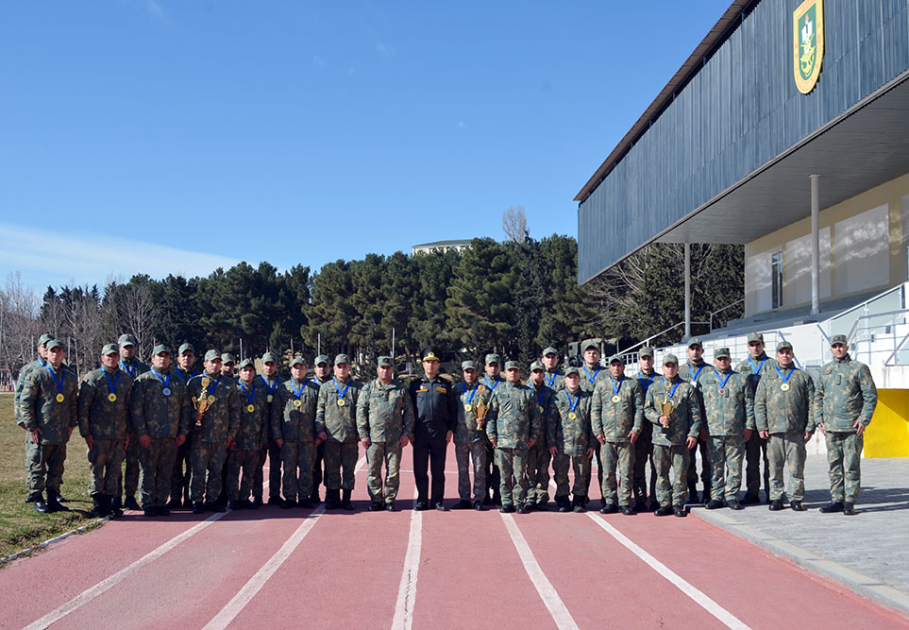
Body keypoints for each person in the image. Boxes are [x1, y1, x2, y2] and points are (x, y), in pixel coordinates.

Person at [815, 334, 878, 516]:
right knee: (834, 465)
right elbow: (818, 395)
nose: (838, 349)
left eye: (841, 346)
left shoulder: (859, 368)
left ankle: (850, 501)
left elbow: (870, 396)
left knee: (851, 465)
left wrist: (864, 419)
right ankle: (837, 499)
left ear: (847, 347)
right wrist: (819, 418)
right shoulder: (825, 370)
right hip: (831, 427)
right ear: (831, 349)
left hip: (852, 426)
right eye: (835, 346)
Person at [754, 341, 815, 511]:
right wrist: (762, 426)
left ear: (792, 354)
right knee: (775, 468)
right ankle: (776, 497)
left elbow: (812, 403)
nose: (785, 355)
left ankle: (796, 498)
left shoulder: (803, 377)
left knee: (796, 468)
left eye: (788, 352)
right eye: (782, 352)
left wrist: (810, 428)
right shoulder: (768, 377)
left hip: (796, 432)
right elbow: (759, 403)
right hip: (773, 431)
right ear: (777, 355)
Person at [131, 344, 192, 516]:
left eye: (166, 356)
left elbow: (185, 409)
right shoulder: (143, 381)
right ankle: (148, 503)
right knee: (148, 470)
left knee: (166, 471)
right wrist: (142, 432)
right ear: (152, 359)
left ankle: (160, 502)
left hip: (170, 436)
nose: (163, 359)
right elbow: (136, 409)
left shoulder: (177, 383)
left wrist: (183, 432)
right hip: (150, 436)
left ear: (170, 360)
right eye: (159, 356)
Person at [18, 339, 78, 513]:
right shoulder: (38, 374)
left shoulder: (70, 377)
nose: (55, 354)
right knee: (38, 466)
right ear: (46, 353)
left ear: (63, 354)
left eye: (59, 352)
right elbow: (26, 402)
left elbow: (74, 403)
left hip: (60, 432)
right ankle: (38, 497)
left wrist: (71, 425)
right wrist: (31, 427)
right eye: (52, 351)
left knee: (57, 468)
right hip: (42, 431)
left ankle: (53, 498)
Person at [78, 343, 133, 517]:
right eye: (108, 356)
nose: (112, 358)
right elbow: (83, 408)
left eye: (115, 356)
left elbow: (130, 407)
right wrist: (86, 433)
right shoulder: (93, 378)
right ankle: (97, 502)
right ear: (102, 357)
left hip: (118, 434)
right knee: (97, 468)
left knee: (114, 469)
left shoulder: (125, 380)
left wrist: (128, 432)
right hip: (98, 434)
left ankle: (110, 501)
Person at [644, 354, 702, 517]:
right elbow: (647, 410)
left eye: (673, 366)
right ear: (662, 368)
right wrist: (658, 418)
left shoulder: (687, 388)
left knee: (681, 474)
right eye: (667, 366)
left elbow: (695, 414)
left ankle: (678, 503)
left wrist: (693, 434)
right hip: (660, 439)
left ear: (677, 368)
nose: (670, 369)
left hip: (680, 439)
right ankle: (664, 503)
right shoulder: (654, 387)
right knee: (661, 474)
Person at [357, 356, 415, 511]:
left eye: (388, 368)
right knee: (373, 471)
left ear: (392, 370)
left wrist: (406, 433)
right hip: (374, 438)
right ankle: (376, 499)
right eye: (382, 367)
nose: (385, 370)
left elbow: (409, 412)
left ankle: (390, 499)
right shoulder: (368, 388)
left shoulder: (400, 388)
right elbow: (361, 411)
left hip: (395, 438)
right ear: (377, 369)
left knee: (393, 471)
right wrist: (363, 433)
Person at [698, 348, 754, 511]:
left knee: (735, 466)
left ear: (730, 360)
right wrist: (701, 426)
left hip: (735, 431)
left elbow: (749, 404)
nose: (722, 361)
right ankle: (716, 496)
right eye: (719, 359)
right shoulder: (705, 379)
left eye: (725, 359)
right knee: (715, 467)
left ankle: (732, 496)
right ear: (714, 361)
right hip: (713, 432)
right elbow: (699, 406)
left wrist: (749, 426)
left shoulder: (740, 379)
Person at [187, 350, 239, 513]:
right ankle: (196, 500)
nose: (215, 365)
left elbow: (235, 410)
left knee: (216, 471)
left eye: (218, 362)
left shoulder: (229, 384)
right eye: (212, 362)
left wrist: (232, 433)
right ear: (205, 363)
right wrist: (193, 415)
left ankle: (211, 499)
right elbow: (185, 406)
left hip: (220, 436)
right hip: (200, 436)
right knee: (199, 470)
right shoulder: (194, 383)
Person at [486, 361, 541, 514]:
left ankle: (518, 502)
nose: (513, 373)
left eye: (516, 371)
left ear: (520, 373)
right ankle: (506, 501)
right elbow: (491, 415)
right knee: (504, 475)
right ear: (505, 372)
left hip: (521, 442)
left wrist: (533, 437)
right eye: (510, 370)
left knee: (519, 475)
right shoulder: (498, 391)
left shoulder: (528, 393)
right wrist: (491, 435)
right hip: (502, 442)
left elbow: (535, 418)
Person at [592, 355, 643, 516]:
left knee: (627, 472)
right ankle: (610, 501)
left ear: (623, 366)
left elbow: (639, 409)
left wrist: (636, 429)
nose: (616, 368)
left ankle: (625, 502)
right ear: (609, 367)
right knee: (608, 472)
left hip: (627, 437)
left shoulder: (632, 384)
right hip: (607, 439)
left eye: (619, 365)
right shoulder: (601, 385)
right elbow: (595, 410)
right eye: (613, 365)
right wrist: (597, 431)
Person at [409, 349, 457, 510]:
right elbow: (409, 410)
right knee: (420, 469)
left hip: (440, 431)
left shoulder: (445, 384)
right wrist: (409, 431)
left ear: (437, 365)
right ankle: (422, 500)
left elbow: (453, 409)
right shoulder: (415, 384)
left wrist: (451, 429)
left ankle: (437, 501)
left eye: (433, 362)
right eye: (427, 362)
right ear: (423, 364)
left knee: (438, 470)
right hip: (420, 431)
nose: (430, 365)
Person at [315, 354, 362, 511]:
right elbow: (320, 410)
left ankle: (347, 499)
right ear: (334, 368)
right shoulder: (326, 388)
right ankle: (333, 499)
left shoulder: (357, 388)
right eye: (339, 366)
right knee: (332, 469)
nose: (342, 369)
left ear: (350, 368)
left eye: (345, 366)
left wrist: (361, 432)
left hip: (350, 437)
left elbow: (362, 412)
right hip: (331, 437)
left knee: (349, 470)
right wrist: (320, 430)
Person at [274, 356, 321, 509]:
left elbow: (320, 412)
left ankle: (304, 496)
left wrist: (318, 433)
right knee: (288, 469)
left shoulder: (314, 389)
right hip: (288, 438)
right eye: (295, 367)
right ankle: (289, 497)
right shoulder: (283, 388)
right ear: (291, 370)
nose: (298, 370)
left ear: (306, 369)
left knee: (307, 469)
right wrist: (278, 435)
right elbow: (276, 414)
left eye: (301, 367)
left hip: (308, 438)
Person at [735, 332, 777, 504]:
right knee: (751, 460)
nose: (755, 348)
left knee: (771, 460)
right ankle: (753, 492)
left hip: (770, 420)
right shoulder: (741, 367)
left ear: (763, 345)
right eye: (752, 344)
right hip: (749, 423)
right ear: (747, 346)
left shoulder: (774, 365)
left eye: (758, 344)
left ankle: (772, 492)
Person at [549, 367, 594, 512]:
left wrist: (592, 445)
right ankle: (562, 498)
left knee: (581, 473)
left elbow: (592, 423)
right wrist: (551, 443)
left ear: (579, 379)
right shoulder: (558, 397)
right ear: (565, 379)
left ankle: (579, 500)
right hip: (561, 443)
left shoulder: (587, 398)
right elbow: (551, 422)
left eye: (575, 377)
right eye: (570, 377)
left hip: (582, 443)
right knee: (561, 472)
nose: (572, 379)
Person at [226, 359, 269, 510]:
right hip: (237, 440)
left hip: (254, 440)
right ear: (239, 373)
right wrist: (231, 437)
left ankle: (244, 497)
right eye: (244, 370)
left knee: (250, 472)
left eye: (250, 370)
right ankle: (233, 498)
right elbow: (229, 416)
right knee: (233, 472)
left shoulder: (259, 393)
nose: (247, 373)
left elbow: (264, 418)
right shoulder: (234, 390)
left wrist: (262, 438)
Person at [116, 333, 149, 511]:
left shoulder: (143, 369)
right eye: (125, 347)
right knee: (115, 462)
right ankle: (115, 495)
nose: (128, 350)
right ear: (119, 348)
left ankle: (130, 495)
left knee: (134, 463)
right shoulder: (113, 367)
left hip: (137, 424)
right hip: (117, 424)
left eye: (131, 347)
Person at [452, 360, 488, 510]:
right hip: (460, 437)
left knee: (479, 469)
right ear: (463, 373)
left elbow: (491, 412)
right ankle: (464, 498)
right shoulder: (456, 390)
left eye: (472, 371)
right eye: (467, 371)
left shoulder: (484, 390)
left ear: (476, 373)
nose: (469, 374)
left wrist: (484, 420)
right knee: (462, 469)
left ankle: (479, 498)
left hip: (478, 437)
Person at [679, 338, 711, 505]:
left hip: (707, 425)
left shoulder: (711, 371)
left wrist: (704, 426)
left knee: (708, 460)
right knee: (688, 461)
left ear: (702, 351)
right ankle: (692, 492)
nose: (695, 351)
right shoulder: (680, 371)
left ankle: (707, 492)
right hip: (687, 426)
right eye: (692, 348)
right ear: (687, 351)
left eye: (698, 348)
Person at [169, 342, 198, 508]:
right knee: (175, 465)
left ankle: (189, 497)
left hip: (195, 430)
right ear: (178, 358)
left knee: (193, 465)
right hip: (175, 428)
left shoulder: (201, 379)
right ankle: (174, 497)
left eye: (190, 355)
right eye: (183, 355)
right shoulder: (171, 378)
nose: (187, 358)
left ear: (194, 358)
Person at [524, 361, 556, 511]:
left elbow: (553, 419)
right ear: (530, 374)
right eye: (535, 372)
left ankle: (542, 498)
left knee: (543, 471)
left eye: (540, 372)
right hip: (529, 439)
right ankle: (530, 497)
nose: (538, 374)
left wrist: (551, 441)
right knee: (529, 470)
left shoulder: (550, 394)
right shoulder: (524, 391)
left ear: (544, 374)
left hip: (544, 439)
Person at [579, 340, 606, 506]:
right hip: (583, 425)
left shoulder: (606, 373)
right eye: (589, 353)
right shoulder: (575, 373)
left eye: (595, 353)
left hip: (603, 423)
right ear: (583, 355)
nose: (592, 355)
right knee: (584, 465)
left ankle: (606, 496)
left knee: (604, 464)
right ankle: (582, 496)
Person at [256, 351, 284, 507]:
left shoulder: (283, 383)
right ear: (262, 366)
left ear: (276, 366)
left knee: (276, 465)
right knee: (257, 466)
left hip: (277, 431)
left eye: (272, 364)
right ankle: (258, 495)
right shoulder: (256, 382)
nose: (269, 367)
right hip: (259, 431)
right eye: (267, 364)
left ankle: (274, 494)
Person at [633, 347, 658, 511]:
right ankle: (640, 499)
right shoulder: (631, 381)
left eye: (649, 358)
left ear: (653, 360)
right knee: (638, 466)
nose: (646, 361)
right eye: (643, 358)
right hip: (639, 432)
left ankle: (656, 498)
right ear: (639, 360)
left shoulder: (662, 380)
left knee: (658, 466)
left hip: (657, 430)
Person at [308, 355, 333, 506]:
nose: (322, 369)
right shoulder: (309, 386)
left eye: (325, 366)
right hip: (312, 434)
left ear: (330, 368)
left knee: (331, 466)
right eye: (319, 366)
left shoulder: (334, 385)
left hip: (330, 433)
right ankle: (314, 493)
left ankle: (330, 493)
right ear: (314, 368)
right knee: (314, 466)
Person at [481, 353, 505, 505]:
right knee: (483, 465)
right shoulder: (479, 385)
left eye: (496, 365)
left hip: (501, 432)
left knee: (499, 465)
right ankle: (483, 493)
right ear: (485, 367)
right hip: (481, 432)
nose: (493, 368)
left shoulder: (505, 384)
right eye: (490, 365)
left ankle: (497, 492)